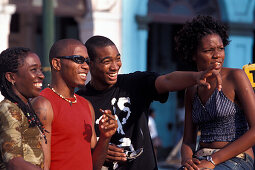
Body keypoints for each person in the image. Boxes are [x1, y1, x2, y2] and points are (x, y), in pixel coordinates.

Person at [76, 35, 222, 170]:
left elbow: (167, 80)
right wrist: (99, 150)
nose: (115, 66)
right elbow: (75, 146)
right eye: (107, 62)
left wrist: (197, 76)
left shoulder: (134, 84)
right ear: (90, 64)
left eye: (118, 59)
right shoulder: (79, 101)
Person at [175, 15, 255, 170]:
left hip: (237, 159)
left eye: (221, 48)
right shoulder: (192, 89)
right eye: (208, 50)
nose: (217, 55)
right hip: (202, 158)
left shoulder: (236, 77)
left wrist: (212, 160)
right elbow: (188, 141)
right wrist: (186, 161)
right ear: (193, 54)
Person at [31, 39, 118, 170]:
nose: (86, 66)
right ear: (57, 64)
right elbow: (42, 165)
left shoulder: (86, 105)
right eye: (78, 60)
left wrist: (105, 137)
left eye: (87, 61)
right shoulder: (43, 104)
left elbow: (94, 166)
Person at [0, 47, 46, 169]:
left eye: (40, 70)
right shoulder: (9, 109)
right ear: (11, 77)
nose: (41, 75)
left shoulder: (24, 108)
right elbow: (13, 162)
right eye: (33, 70)